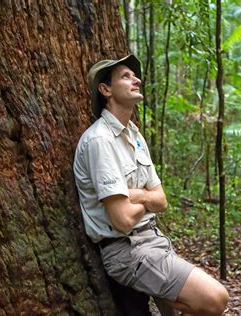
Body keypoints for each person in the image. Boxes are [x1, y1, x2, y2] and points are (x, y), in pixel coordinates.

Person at [73, 54, 229, 315]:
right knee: (216, 298)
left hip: (153, 240)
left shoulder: (134, 135)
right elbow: (122, 219)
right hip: (128, 250)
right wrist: (146, 197)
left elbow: (162, 200)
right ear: (105, 89)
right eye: (126, 76)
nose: (137, 80)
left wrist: (137, 196)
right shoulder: (100, 141)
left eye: (135, 76)